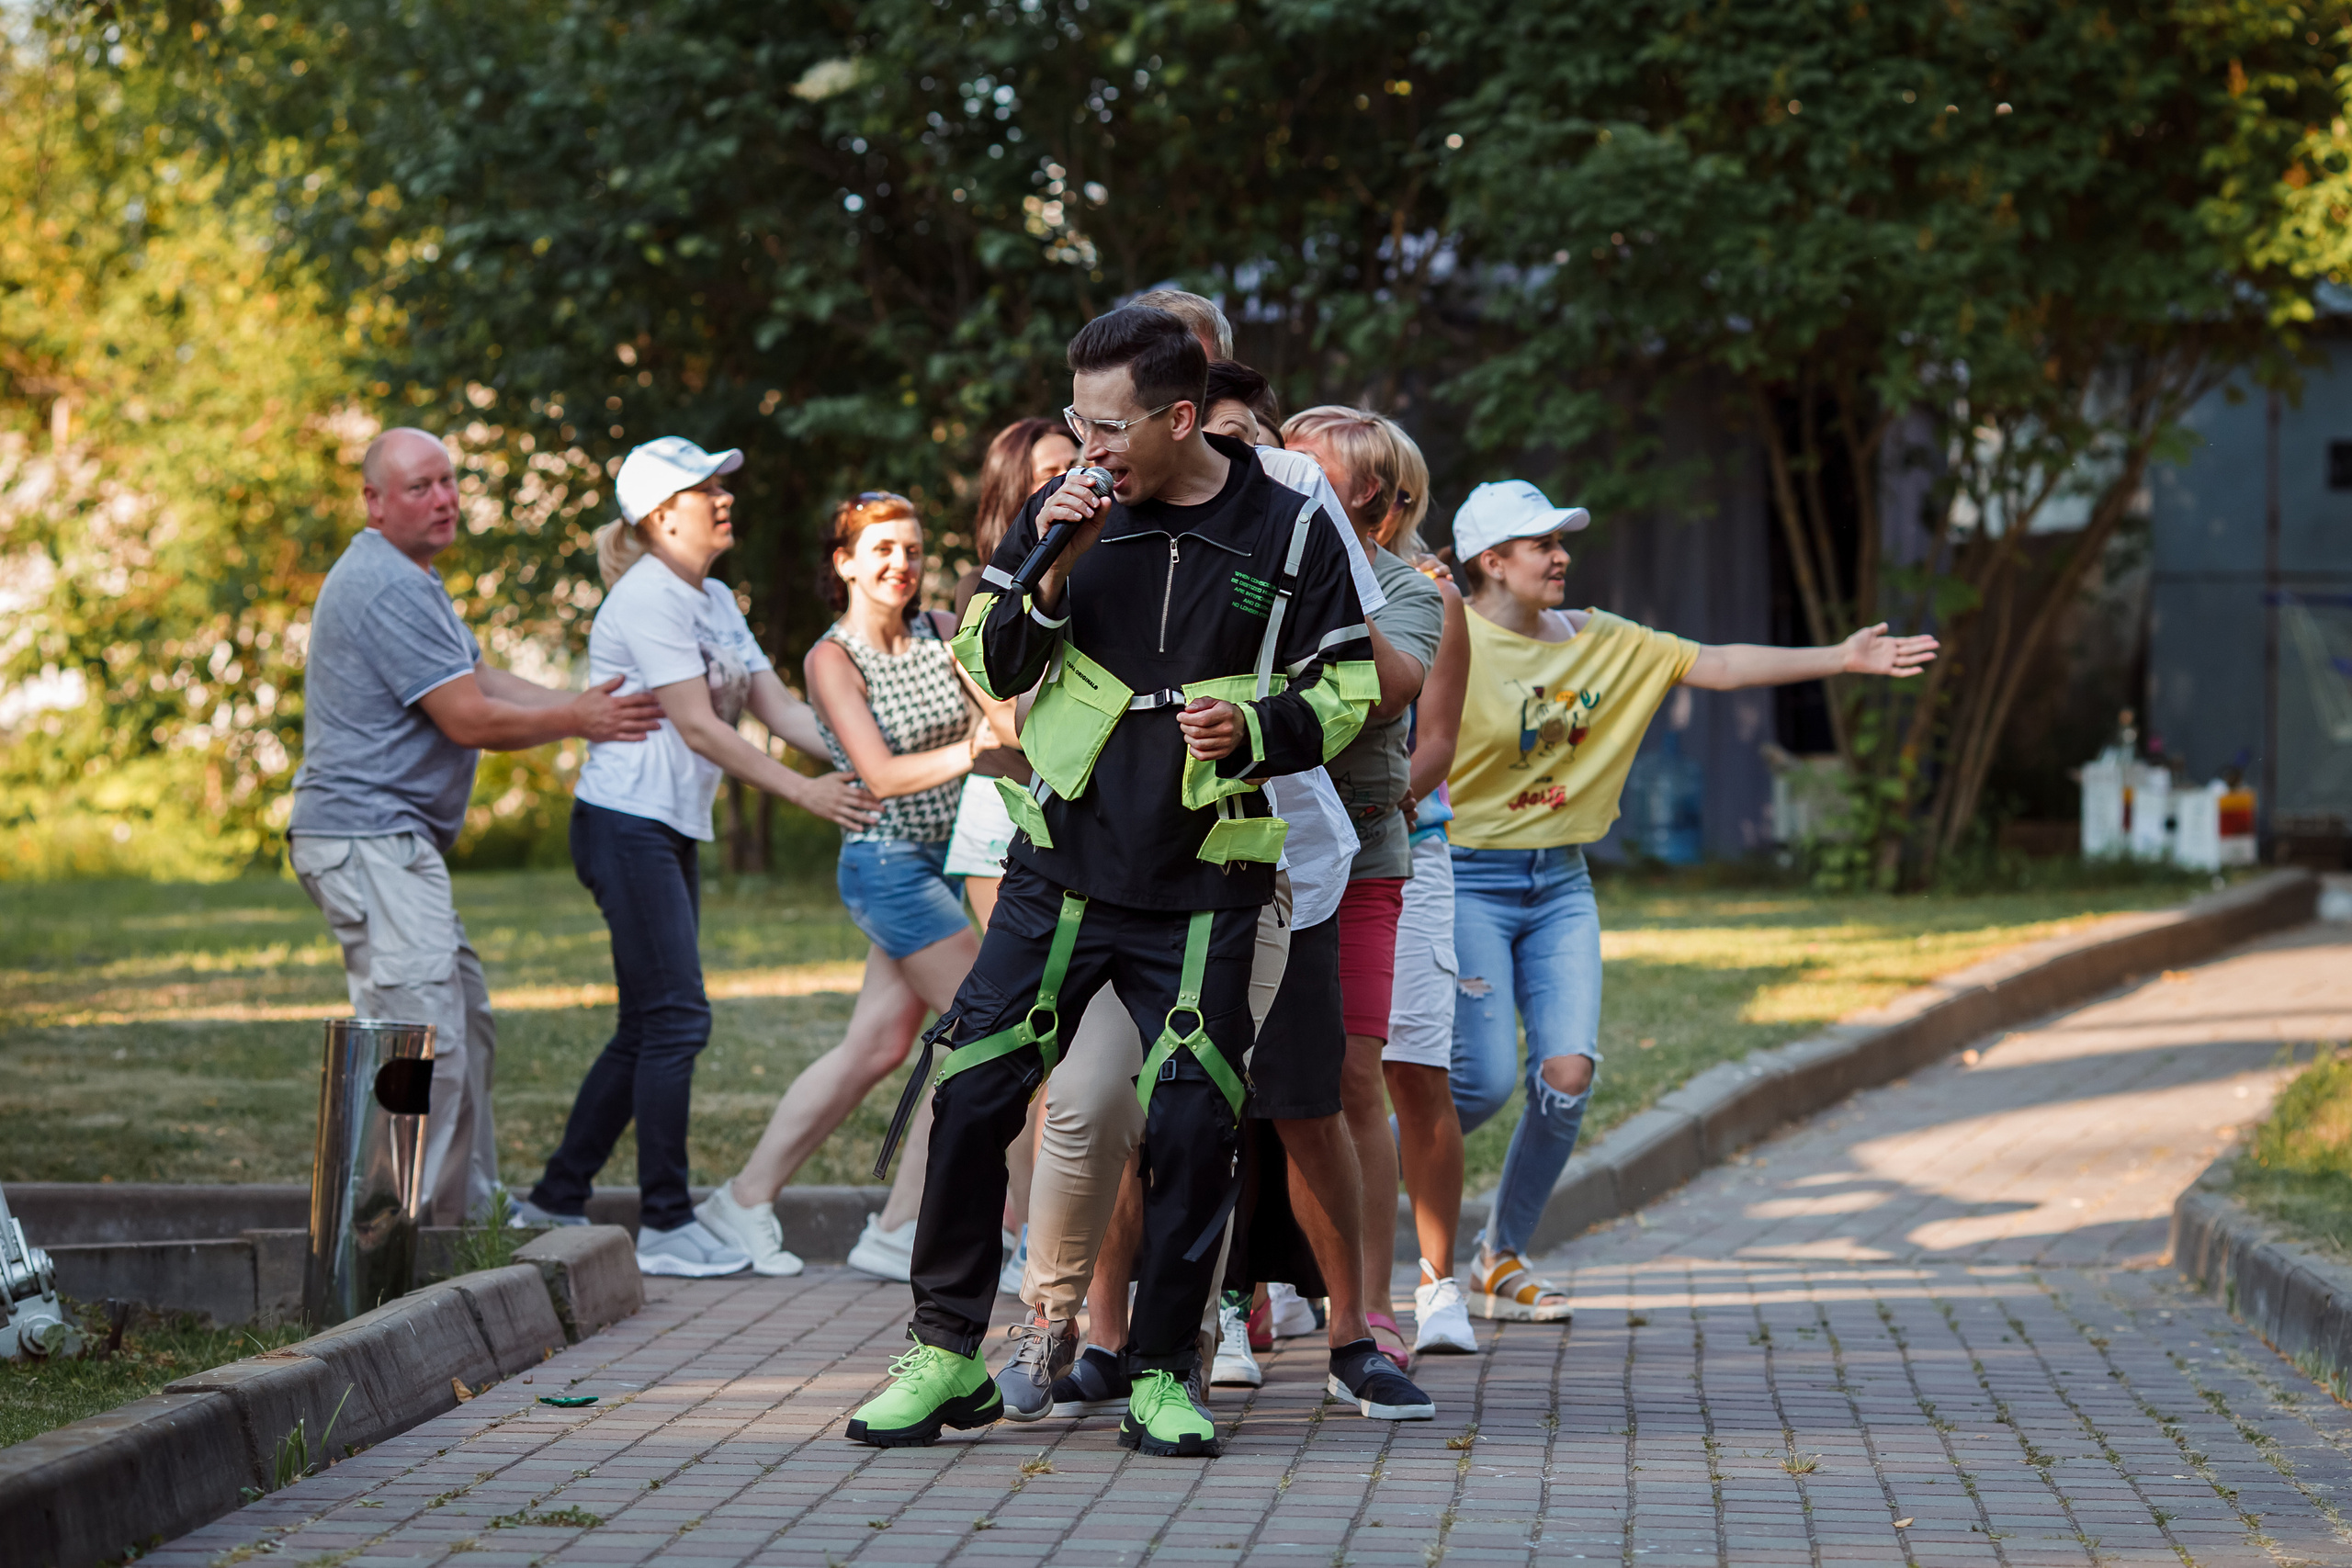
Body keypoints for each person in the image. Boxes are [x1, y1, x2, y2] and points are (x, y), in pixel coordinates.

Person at [845, 306, 1390, 1460]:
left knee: (1193, 1125)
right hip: (1061, 869)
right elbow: (985, 659)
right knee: (977, 1093)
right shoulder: (1066, 513)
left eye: (1107, 426)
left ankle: (1160, 1369)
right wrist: (1051, 570)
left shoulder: (1291, 527)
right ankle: (944, 1351)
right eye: (1075, 420)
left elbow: (1349, 689)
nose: (1083, 446)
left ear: (1179, 417)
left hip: (1208, 880)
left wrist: (1251, 726)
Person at [996, 365, 1417, 1422]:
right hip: (1117, 873)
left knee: (1298, 1106)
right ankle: (1107, 1339)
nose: (1103, 443)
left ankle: (1350, 1335)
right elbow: (1009, 668)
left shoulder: (1286, 505)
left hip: (1279, 873)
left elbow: (1367, 677)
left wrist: (1250, 720)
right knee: (1108, 1104)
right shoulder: (1098, 513)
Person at [1444, 480, 1939, 1319]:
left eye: (1565, 540)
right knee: (1481, 1084)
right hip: (1466, 877)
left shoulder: (1605, 641)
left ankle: (1502, 1255)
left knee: (1568, 1073)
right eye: (1542, 544)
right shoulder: (1448, 636)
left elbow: (1718, 663)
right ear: (1491, 562)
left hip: (1558, 880)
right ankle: (1317, 1193)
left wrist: (1839, 658)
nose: (1562, 555)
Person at [288, 427, 666, 1228]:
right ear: (375, 502)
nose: (443, 498)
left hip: (393, 843)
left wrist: (585, 704)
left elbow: (478, 678)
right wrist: (579, 717)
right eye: (420, 486)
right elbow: (465, 718)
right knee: (423, 1042)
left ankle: (467, 1210)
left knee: (466, 1027)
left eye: (449, 482)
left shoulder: (410, 578)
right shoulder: (387, 584)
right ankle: (406, 1229)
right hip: (368, 840)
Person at [517, 437, 878, 1277]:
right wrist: (808, 794)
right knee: (678, 1017)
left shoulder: (711, 596)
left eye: (722, 485)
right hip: (623, 822)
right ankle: (668, 1223)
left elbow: (776, 704)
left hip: (663, 825)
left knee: (649, 1021)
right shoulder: (649, 598)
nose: (723, 498)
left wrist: (863, 753)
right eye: (704, 487)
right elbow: (699, 724)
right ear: (659, 514)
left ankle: (555, 1195)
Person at [693, 491, 1002, 1278]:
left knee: (877, 1046)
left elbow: (1002, 713)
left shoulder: (939, 631)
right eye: (883, 551)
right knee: (987, 1035)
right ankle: (906, 1225)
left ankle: (753, 1196)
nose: (902, 564)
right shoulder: (832, 658)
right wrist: (979, 746)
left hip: (949, 856)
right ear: (845, 564)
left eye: (913, 549)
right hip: (890, 868)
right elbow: (881, 773)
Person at [1279, 407, 1446, 1371]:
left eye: (1310, 473)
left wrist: (1329, 579)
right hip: (1252, 854)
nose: (1283, 482)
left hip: (1363, 864)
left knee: (1349, 1079)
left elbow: (1388, 691)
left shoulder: (1403, 589)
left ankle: (1369, 1303)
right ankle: (1248, 1293)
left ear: (1369, 499)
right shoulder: (1246, 560)